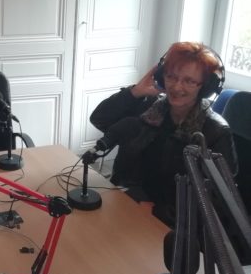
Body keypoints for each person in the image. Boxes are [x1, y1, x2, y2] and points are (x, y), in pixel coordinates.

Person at [90, 42, 238, 226]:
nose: (177, 87)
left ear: (206, 87)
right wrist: (134, 92)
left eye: (189, 81)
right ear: (161, 76)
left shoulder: (215, 132)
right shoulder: (149, 109)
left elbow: (217, 201)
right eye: (171, 77)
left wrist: (157, 212)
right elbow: (100, 119)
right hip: (127, 202)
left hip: (172, 225)